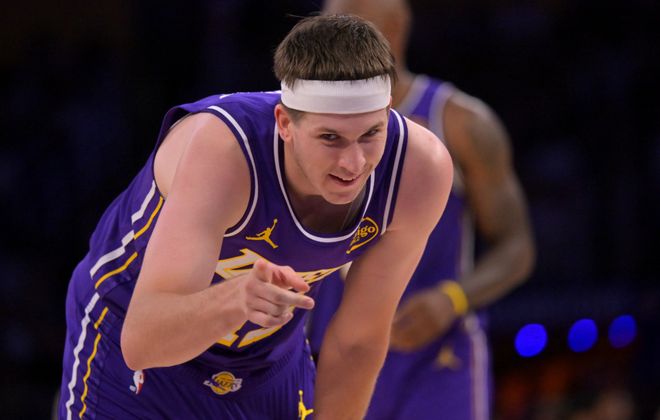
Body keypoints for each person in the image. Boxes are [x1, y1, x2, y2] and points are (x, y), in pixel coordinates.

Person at [58, 14, 453, 420]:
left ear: (388, 112)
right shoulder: (224, 152)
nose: (353, 163)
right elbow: (142, 341)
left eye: (370, 134)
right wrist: (235, 299)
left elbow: (358, 341)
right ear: (284, 123)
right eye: (330, 138)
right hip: (129, 329)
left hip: (264, 356)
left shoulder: (419, 170)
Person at [307, 1, 536, 419]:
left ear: (394, 30)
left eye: (346, 30)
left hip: (434, 355)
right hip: (333, 357)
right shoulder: (299, 124)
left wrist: (453, 299)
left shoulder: (460, 123)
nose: (330, 44)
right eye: (325, 29)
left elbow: (517, 248)